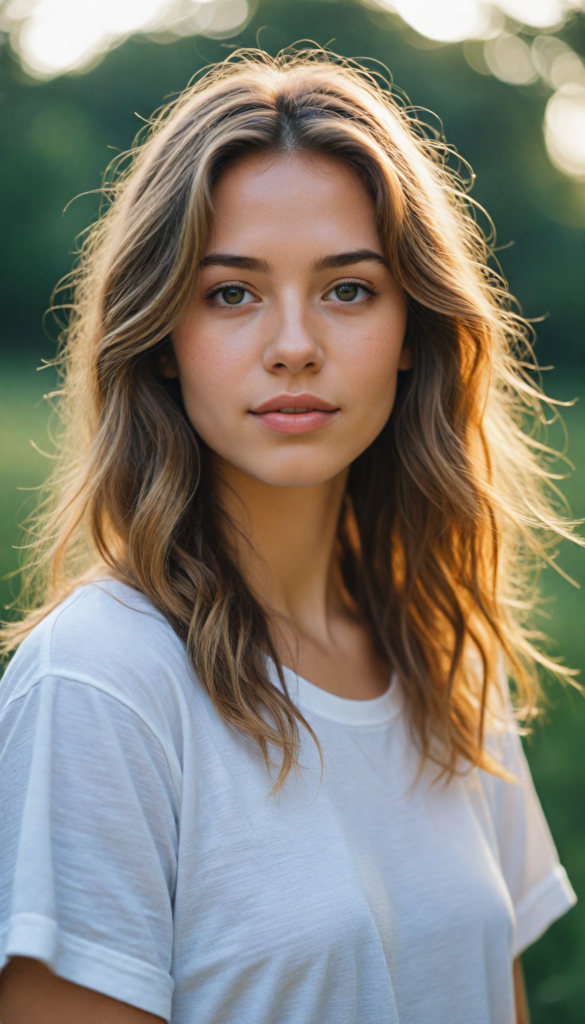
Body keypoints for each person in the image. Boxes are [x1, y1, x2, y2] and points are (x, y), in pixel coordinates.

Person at [0, 48, 578, 1024]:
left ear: (413, 336)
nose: (296, 343)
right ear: (161, 342)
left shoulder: (447, 661)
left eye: (349, 288)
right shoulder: (100, 682)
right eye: (232, 292)